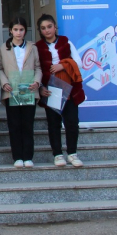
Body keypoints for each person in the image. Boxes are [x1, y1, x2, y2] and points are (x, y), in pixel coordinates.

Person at [36, 14, 86, 168]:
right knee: (53, 123)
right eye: (43, 28)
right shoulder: (38, 47)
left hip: (69, 88)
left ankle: (72, 153)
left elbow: (79, 62)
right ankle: (57, 154)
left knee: (72, 122)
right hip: (51, 90)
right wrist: (40, 87)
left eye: (49, 26)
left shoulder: (66, 42)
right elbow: (36, 68)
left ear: (55, 27)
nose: (47, 30)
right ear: (40, 31)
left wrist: (63, 65)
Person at [0, 16, 41, 168]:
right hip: (12, 90)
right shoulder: (2, 48)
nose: (18, 32)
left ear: (25, 31)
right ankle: (17, 157)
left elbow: (38, 67)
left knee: (27, 124)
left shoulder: (32, 47)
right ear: (10, 31)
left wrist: (37, 81)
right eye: (15, 29)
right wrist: (4, 83)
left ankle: (28, 156)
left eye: (21, 29)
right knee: (14, 125)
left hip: (29, 90)